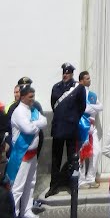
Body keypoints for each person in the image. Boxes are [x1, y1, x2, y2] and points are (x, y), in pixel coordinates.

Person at [6, 85, 47, 218]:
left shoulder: (33, 110)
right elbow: (28, 129)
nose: (33, 99)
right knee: (18, 186)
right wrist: (36, 124)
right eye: (30, 97)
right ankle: (14, 213)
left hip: (32, 154)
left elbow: (45, 121)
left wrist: (34, 122)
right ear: (23, 97)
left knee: (30, 183)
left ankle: (26, 210)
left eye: (33, 96)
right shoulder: (18, 112)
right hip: (21, 154)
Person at [46, 63, 86, 197]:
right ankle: (54, 185)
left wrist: (73, 118)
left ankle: (72, 183)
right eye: (64, 72)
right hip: (58, 127)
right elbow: (53, 105)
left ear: (72, 74)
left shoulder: (78, 88)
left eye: (68, 73)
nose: (65, 75)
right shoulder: (56, 87)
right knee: (56, 158)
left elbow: (82, 107)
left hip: (71, 127)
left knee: (71, 158)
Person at [78, 73, 102, 188]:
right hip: (81, 127)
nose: (89, 80)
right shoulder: (77, 93)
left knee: (97, 152)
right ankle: (81, 180)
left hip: (92, 128)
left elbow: (100, 107)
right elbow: (80, 108)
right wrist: (88, 108)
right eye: (87, 79)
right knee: (81, 155)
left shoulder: (92, 95)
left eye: (89, 78)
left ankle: (90, 177)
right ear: (81, 81)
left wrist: (88, 108)